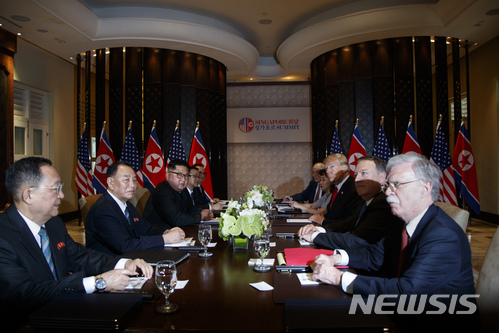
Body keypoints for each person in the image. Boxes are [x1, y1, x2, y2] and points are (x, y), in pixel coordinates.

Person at [311, 153, 476, 331]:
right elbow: (373, 256)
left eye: (396, 185)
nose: (388, 191)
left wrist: (338, 277)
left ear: (425, 188)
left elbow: (405, 292)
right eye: (388, 185)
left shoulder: (443, 236)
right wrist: (335, 258)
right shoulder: (405, 223)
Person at [0, 157, 153, 329]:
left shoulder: (53, 224)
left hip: (64, 310)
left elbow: (81, 256)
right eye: (55, 188)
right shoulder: (4, 236)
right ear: (28, 195)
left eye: (61, 188)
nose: (62, 195)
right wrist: (96, 282)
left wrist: (125, 263)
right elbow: (24, 294)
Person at [298, 156, 403, 249]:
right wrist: (319, 229)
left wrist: (315, 236)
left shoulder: (382, 203)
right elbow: (347, 224)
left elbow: (356, 240)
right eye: (356, 174)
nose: (357, 179)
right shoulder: (366, 201)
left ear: (382, 177)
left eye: (364, 173)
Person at [85, 161, 185, 255]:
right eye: (126, 180)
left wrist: (166, 231)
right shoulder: (102, 211)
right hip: (112, 266)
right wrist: (165, 239)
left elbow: (144, 228)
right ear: (111, 182)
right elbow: (125, 245)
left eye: (134, 180)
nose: (132, 185)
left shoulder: (127, 205)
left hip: (132, 258)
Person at [144, 159, 213, 228]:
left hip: (176, 231)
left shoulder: (181, 190)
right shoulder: (162, 192)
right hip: (158, 235)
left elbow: (188, 209)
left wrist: (204, 212)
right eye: (179, 175)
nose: (183, 179)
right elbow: (176, 219)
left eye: (186, 176)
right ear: (167, 175)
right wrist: (200, 216)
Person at [308, 154, 363, 226]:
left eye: (332, 167)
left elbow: (348, 222)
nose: (328, 171)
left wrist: (323, 221)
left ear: (344, 168)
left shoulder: (353, 188)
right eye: (326, 168)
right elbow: (332, 216)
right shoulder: (336, 187)